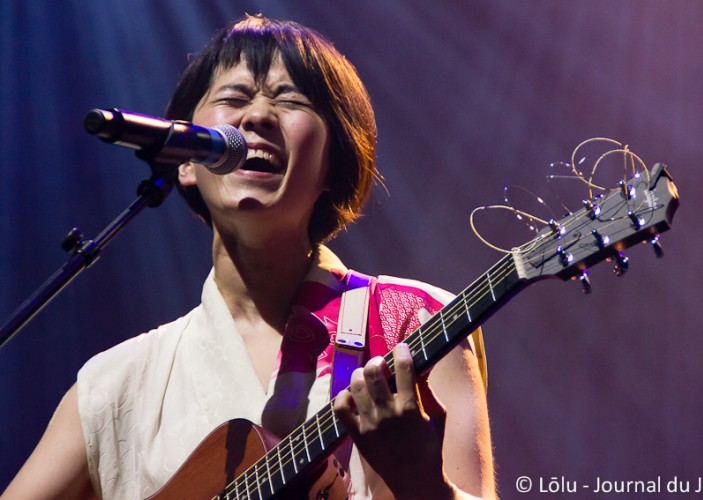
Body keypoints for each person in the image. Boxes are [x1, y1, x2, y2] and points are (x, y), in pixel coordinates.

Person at [2, 15, 495, 499]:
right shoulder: (115, 384)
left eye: (290, 100)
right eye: (234, 98)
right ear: (186, 162)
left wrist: (426, 486)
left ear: (333, 163)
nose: (258, 117)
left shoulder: (412, 321)